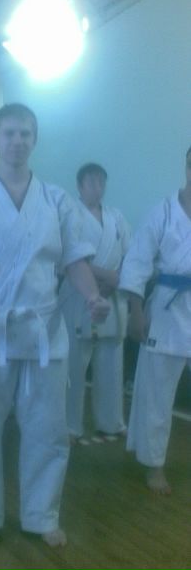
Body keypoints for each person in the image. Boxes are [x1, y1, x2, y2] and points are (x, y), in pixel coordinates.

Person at [0, 103, 110, 558]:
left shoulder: (56, 200)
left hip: (42, 332)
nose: (17, 141)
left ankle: (41, 514)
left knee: (48, 431)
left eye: (25, 134)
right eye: (9, 133)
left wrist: (93, 296)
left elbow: (75, 258)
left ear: (34, 140)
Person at [119, 144, 191, 495]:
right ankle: (154, 464)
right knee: (157, 393)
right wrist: (135, 313)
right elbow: (136, 264)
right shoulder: (162, 212)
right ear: (187, 168)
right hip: (166, 310)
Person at [59, 163, 131, 443]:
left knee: (112, 361)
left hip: (112, 294)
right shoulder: (70, 215)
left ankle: (111, 421)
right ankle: (69, 425)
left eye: (101, 182)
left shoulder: (117, 217)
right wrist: (103, 277)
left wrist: (115, 279)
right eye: (91, 182)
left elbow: (129, 254)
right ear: (79, 186)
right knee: (75, 363)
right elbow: (69, 256)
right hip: (79, 294)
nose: (97, 188)